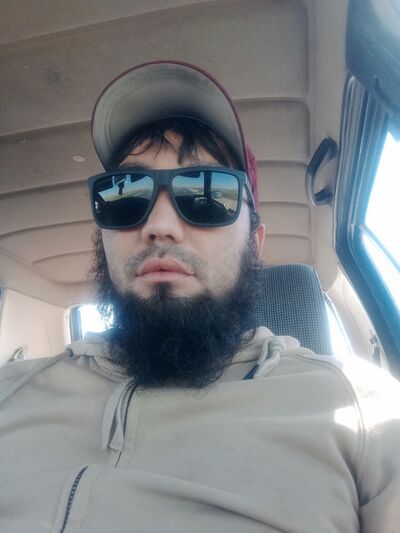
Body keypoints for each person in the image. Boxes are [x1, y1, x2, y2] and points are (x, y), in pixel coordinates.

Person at [0, 60, 399, 533]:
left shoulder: (360, 409)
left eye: (207, 192)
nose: (159, 226)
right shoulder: (13, 391)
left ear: (255, 243)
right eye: (125, 194)